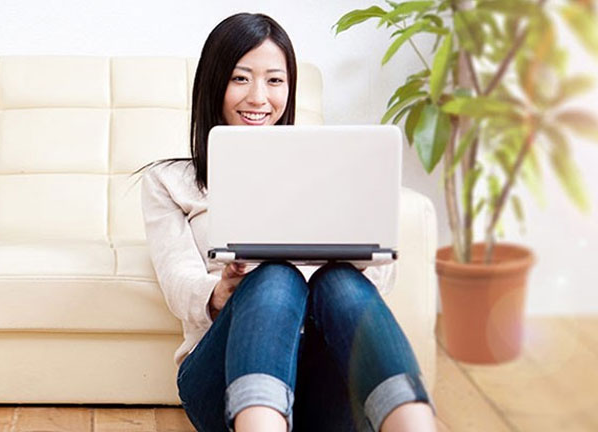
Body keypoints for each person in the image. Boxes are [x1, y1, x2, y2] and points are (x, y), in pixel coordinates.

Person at [133, 12, 438, 432]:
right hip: (223, 383)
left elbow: (379, 286)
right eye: (241, 78)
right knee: (275, 275)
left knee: (340, 282)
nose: (259, 97)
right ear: (214, 84)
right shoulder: (170, 182)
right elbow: (178, 282)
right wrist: (220, 290)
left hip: (325, 381)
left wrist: (358, 255)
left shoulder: (328, 169)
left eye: (274, 80)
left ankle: (414, 424)